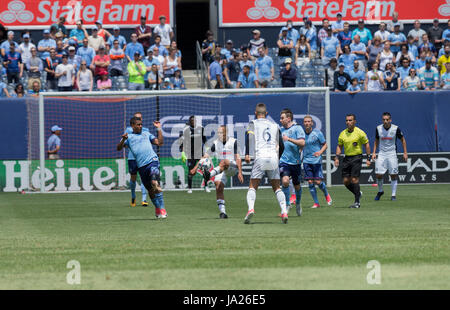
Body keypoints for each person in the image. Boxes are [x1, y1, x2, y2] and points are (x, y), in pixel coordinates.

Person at [244, 103, 287, 224]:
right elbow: (282, 145)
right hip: (273, 157)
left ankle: (250, 209)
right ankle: (284, 211)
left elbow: (249, 138)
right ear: (266, 114)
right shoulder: (275, 125)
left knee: (253, 186)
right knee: (277, 188)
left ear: (255, 113)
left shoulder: (253, 123)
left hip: (260, 157)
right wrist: (277, 158)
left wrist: (247, 153)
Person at [117, 117, 167, 219]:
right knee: (151, 190)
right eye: (138, 124)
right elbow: (118, 148)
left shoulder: (146, 134)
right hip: (141, 167)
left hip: (152, 161)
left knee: (154, 183)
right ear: (132, 126)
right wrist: (123, 140)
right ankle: (157, 208)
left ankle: (162, 208)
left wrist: (159, 129)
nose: (140, 126)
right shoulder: (129, 137)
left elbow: (160, 143)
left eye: (141, 124)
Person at [202, 125, 244, 219]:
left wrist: (240, 172)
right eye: (218, 133)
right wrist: (196, 167)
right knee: (218, 187)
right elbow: (206, 155)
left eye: (221, 132)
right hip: (221, 169)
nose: (219, 134)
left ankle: (209, 175)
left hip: (232, 166)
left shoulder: (234, 141)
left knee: (224, 161)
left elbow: (238, 158)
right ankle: (223, 213)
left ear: (226, 133)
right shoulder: (216, 143)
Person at [334, 114, 371, 208]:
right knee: (346, 181)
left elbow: (366, 144)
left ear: (354, 121)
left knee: (354, 179)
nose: (348, 122)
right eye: (347, 120)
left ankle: (357, 202)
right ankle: (358, 193)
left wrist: (368, 158)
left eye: (350, 120)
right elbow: (339, 146)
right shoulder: (342, 133)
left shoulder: (360, 132)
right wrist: (337, 157)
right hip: (347, 158)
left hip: (357, 157)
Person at [373, 112, 408, 201]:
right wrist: (374, 153)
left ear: (390, 120)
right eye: (384, 119)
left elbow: (403, 140)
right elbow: (376, 141)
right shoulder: (378, 128)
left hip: (392, 153)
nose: (385, 121)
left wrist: (405, 152)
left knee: (393, 174)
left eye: (387, 119)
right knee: (378, 174)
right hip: (381, 154)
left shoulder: (396, 129)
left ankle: (393, 195)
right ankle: (380, 191)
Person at [278, 109, 305, 216]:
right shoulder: (280, 130)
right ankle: (287, 205)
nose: (280, 120)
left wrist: (289, 139)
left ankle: (298, 203)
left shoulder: (297, 128)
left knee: (297, 185)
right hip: (284, 161)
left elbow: (302, 143)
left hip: (296, 162)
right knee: (285, 181)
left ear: (288, 119)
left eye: (282, 118)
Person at [302, 115, 332, 208]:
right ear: (303, 123)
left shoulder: (317, 133)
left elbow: (325, 145)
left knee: (318, 182)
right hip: (306, 161)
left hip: (316, 161)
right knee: (310, 182)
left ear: (312, 123)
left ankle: (326, 194)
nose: (307, 123)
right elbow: (300, 146)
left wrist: (320, 152)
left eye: (309, 121)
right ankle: (316, 203)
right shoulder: (301, 134)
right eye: (305, 121)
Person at [122, 112, 150, 207]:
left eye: (140, 118)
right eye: (137, 118)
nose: (139, 120)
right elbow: (124, 144)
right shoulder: (128, 130)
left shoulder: (146, 130)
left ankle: (144, 198)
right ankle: (133, 196)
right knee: (133, 178)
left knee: (144, 178)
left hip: (144, 158)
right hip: (132, 158)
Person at [179, 116, 209, 194]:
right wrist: (182, 153)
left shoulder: (201, 129)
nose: (193, 122)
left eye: (194, 120)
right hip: (190, 154)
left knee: (205, 169)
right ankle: (189, 188)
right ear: (189, 121)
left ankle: (206, 186)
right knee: (191, 171)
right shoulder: (186, 130)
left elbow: (205, 140)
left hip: (200, 153)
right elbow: (181, 142)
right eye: (191, 120)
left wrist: (207, 150)